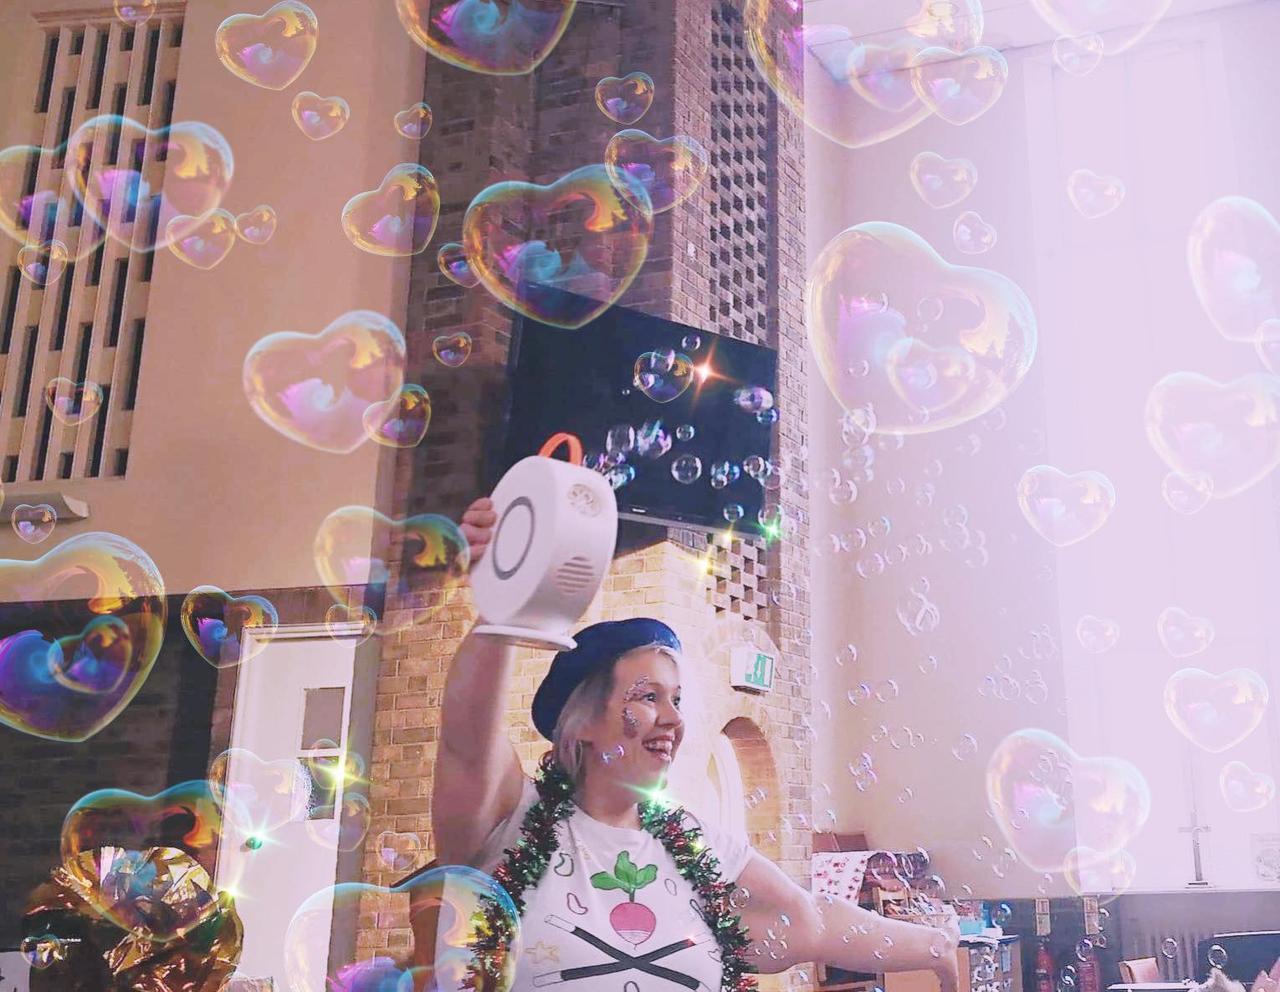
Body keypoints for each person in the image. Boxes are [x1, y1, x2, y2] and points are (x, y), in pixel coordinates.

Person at [434, 497, 960, 992]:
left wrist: (933, 945)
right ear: (583, 722)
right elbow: (465, 739)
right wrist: (503, 603)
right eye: (647, 697)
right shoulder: (511, 818)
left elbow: (812, 920)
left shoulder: (696, 846)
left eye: (677, 700)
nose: (671, 720)